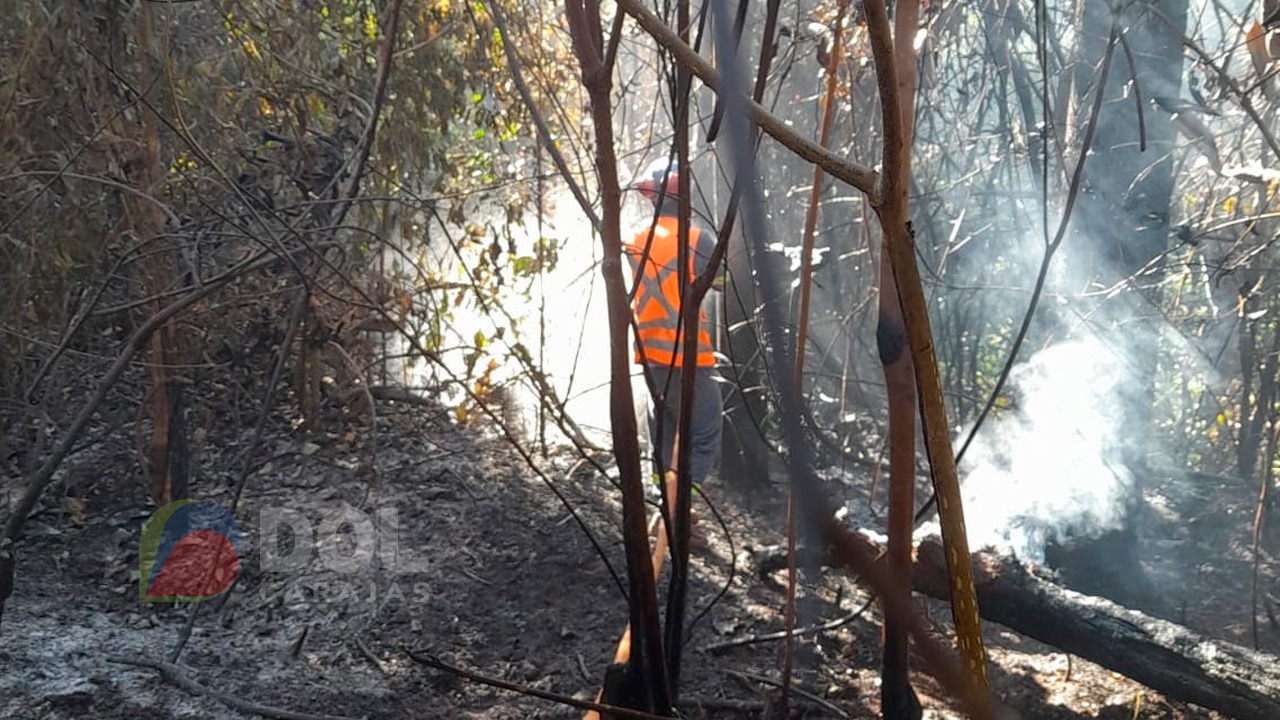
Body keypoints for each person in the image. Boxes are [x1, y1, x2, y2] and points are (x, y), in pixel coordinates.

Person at [624, 159, 724, 521]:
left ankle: (661, 503)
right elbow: (720, 284)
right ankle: (679, 506)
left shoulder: (636, 240)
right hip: (690, 360)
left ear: (654, 198)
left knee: (661, 438)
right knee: (705, 436)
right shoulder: (698, 239)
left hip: (650, 359)